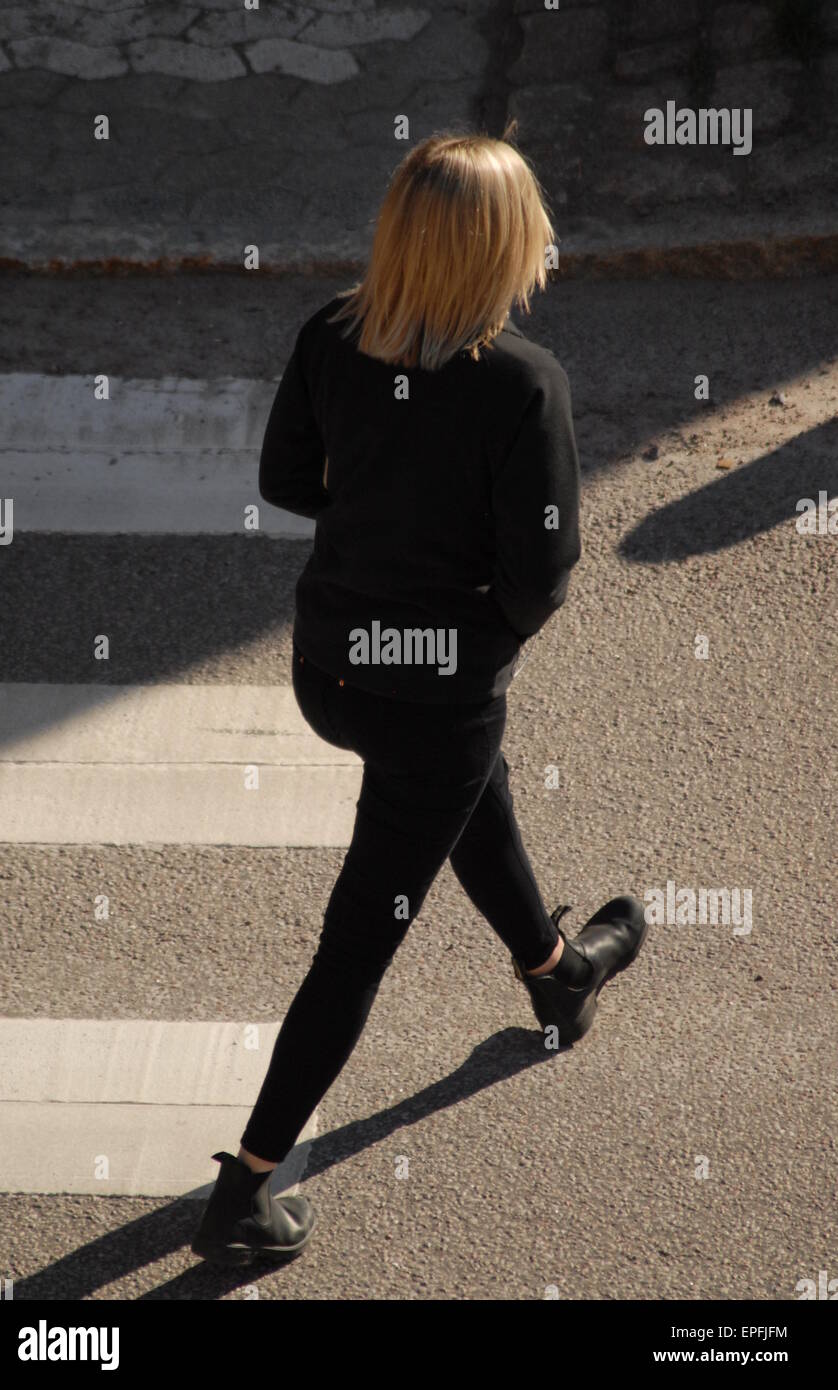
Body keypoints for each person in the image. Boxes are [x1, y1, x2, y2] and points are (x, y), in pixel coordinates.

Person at [190, 125, 647, 1267]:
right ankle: (246, 1187)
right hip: (433, 695)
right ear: (500, 251)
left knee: (460, 792)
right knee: (361, 936)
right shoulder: (523, 385)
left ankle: (558, 975)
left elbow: (287, 479)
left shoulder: (332, 333)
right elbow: (540, 575)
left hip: (330, 670)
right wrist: (475, 647)